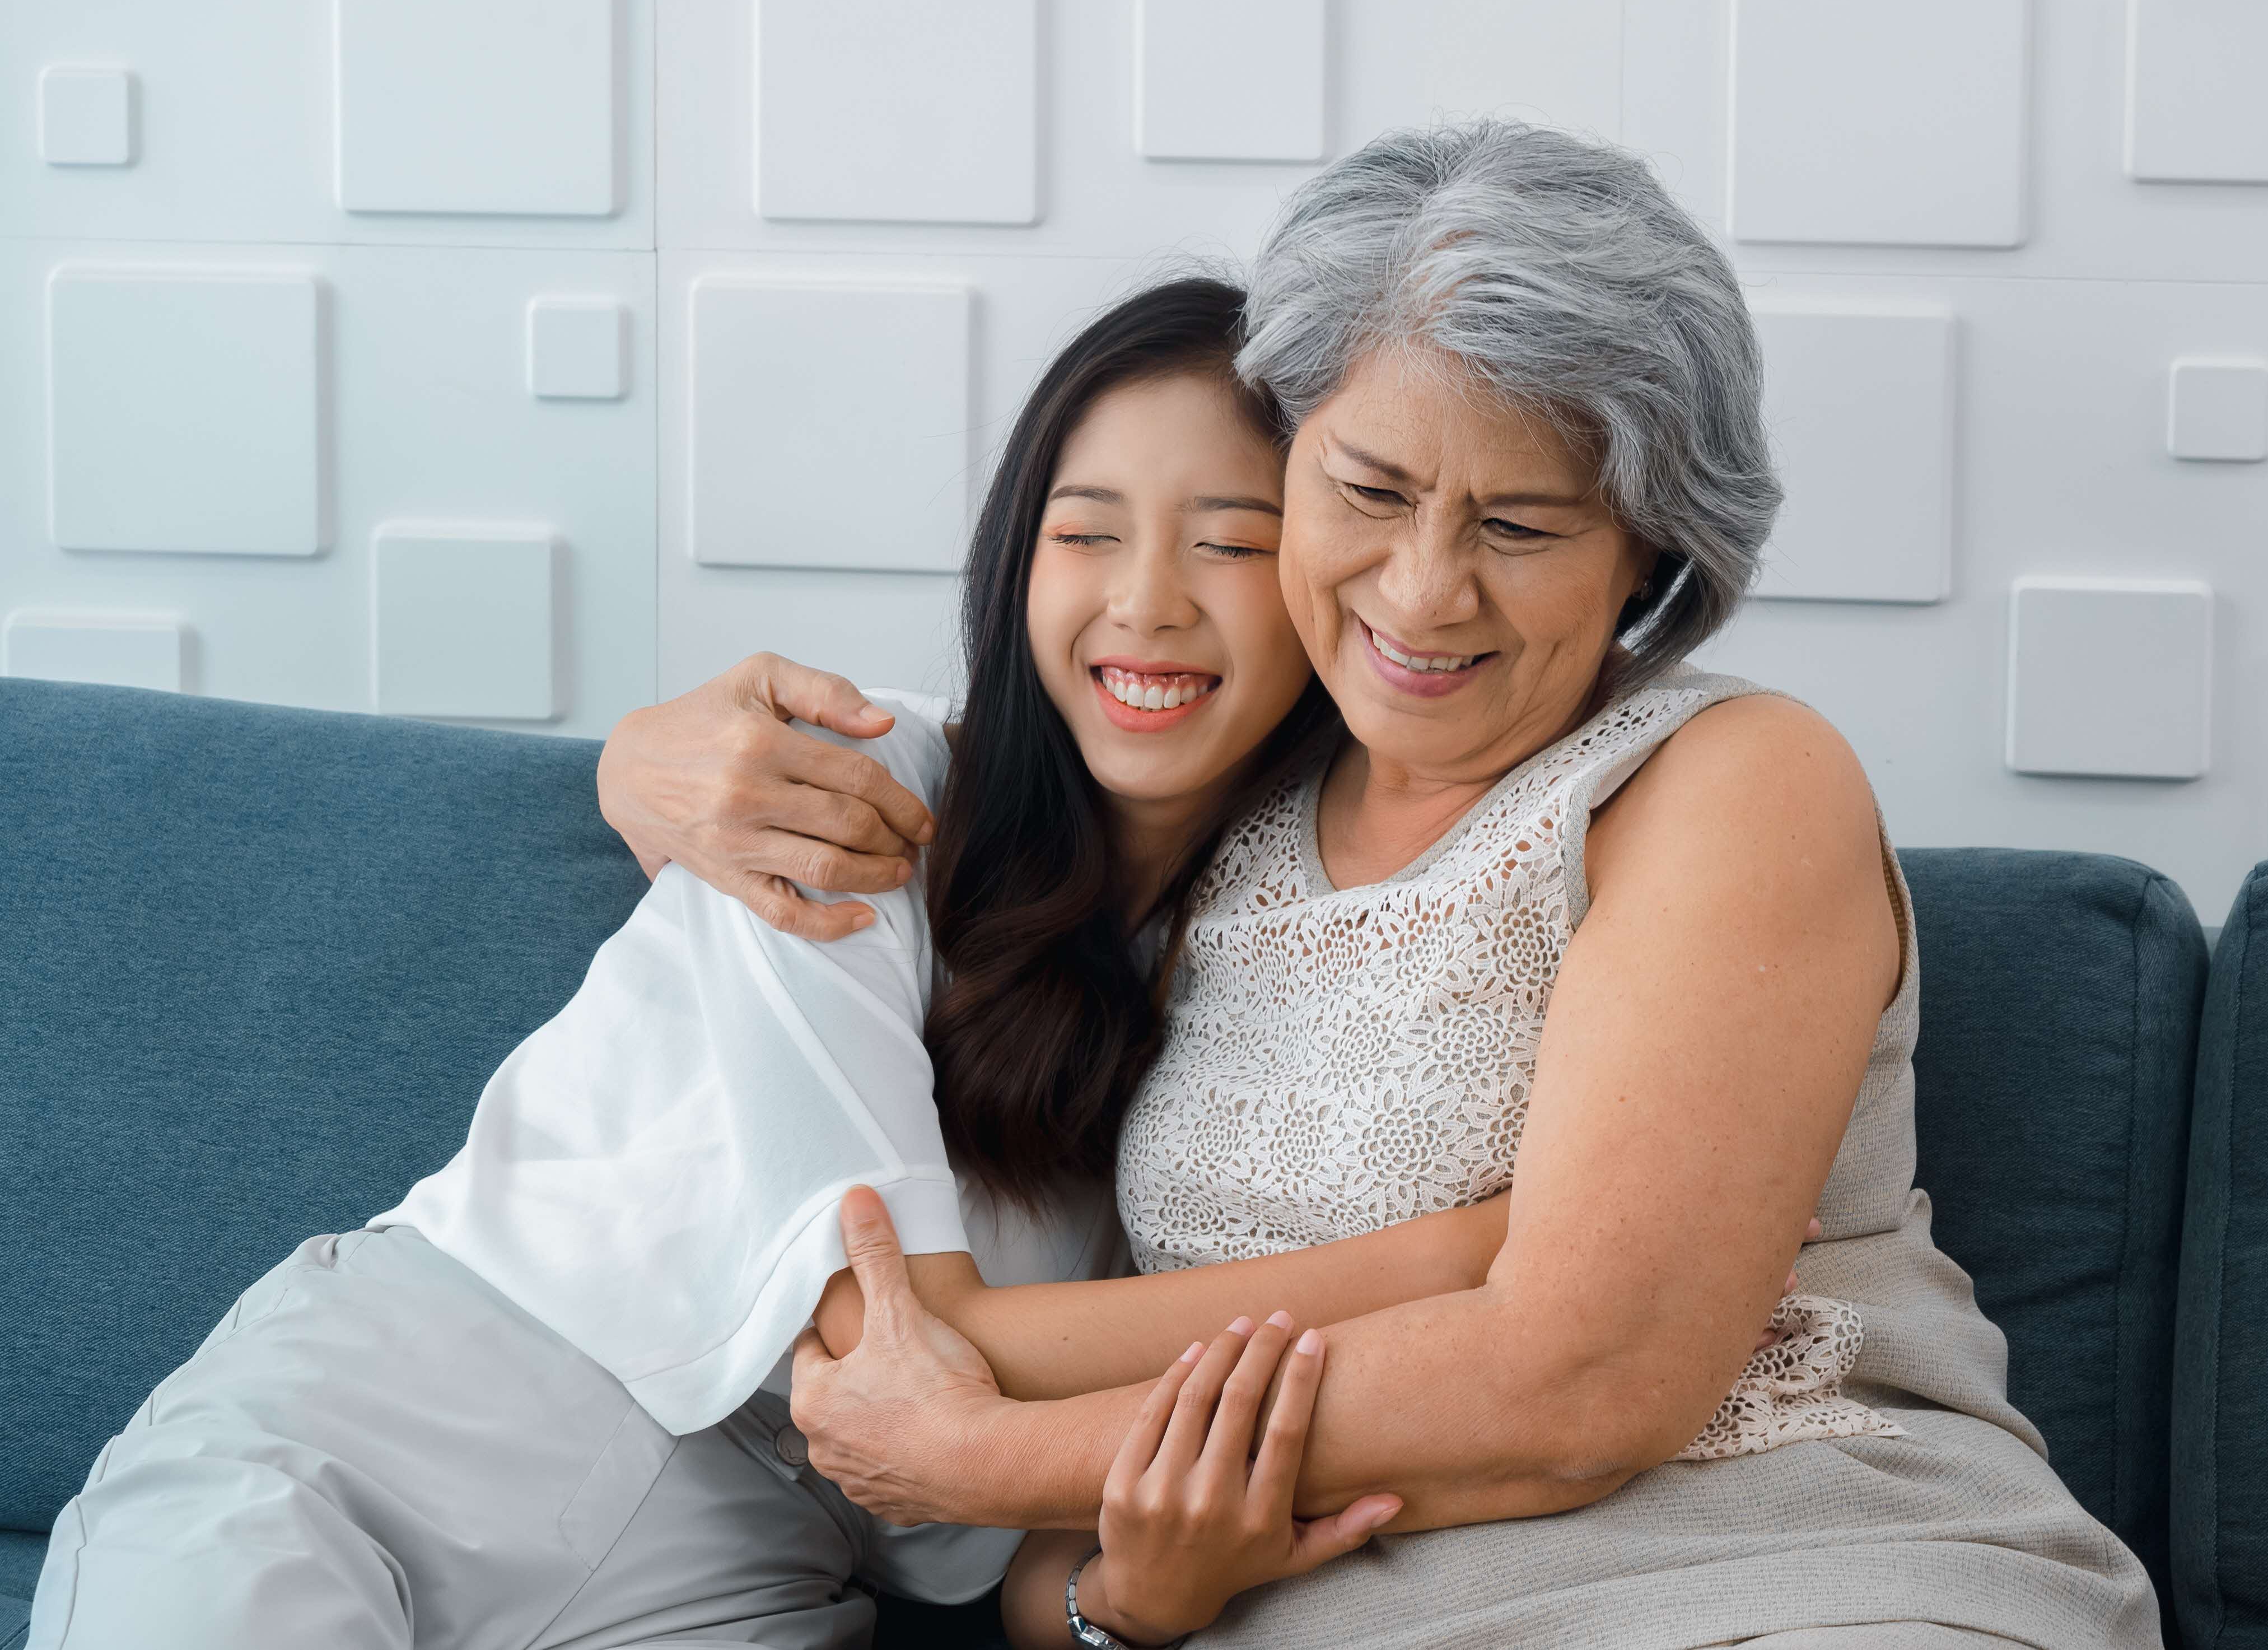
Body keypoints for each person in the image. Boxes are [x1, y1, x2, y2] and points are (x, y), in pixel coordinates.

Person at [617, 122, 2166, 1649]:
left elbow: (1582, 1383)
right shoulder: (1200, 821)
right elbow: (1078, 1578)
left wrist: (971, 1450)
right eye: (1367, 491)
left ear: (1648, 553)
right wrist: (637, 759)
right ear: (1285, 462)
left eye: (1518, 522)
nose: (1425, 590)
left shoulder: (1728, 779)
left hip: (1807, 1575)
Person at [26, 281, 1534, 1650]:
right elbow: (890, 1347)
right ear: (1020, 563)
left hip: (746, 1572)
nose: (1146, 599)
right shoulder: (853, 788)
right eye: (1086, 531)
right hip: (388, 1425)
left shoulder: (1290, 977)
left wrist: (1124, 1603)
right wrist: (1457, 1264)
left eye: (1232, 542)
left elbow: (1007, 1535)